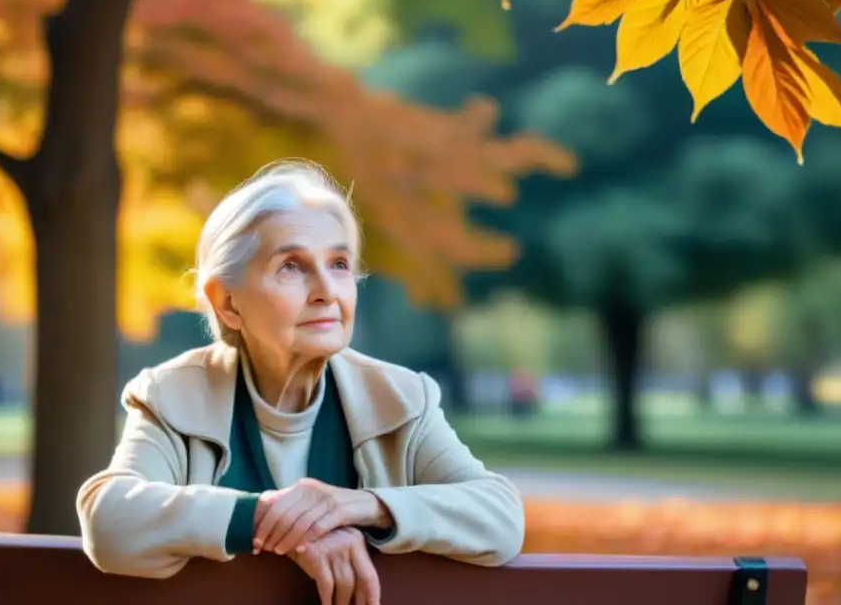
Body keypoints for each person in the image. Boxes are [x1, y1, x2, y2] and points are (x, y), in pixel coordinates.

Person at [77, 160, 526, 603]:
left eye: (339, 264)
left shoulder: (401, 397)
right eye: (291, 266)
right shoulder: (172, 395)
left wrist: (358, 506)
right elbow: (111, 521)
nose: (326, 291)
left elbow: (500, 517)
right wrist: (273, 522)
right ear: (227, 302)